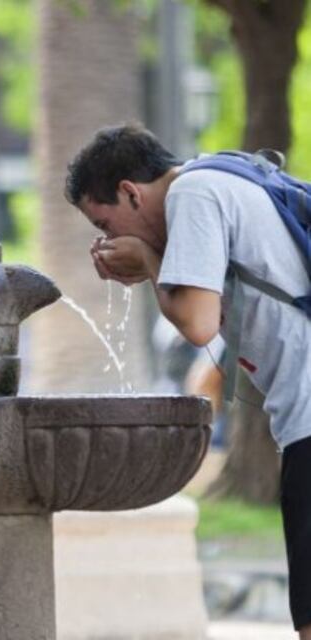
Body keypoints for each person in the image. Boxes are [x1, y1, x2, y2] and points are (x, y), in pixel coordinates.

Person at [64, 123, 311, 638]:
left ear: (131, 192)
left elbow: (198, 323)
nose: (109, 240)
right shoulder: (223, 175)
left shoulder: (193, 193)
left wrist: (151, 262)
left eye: (105, 223)